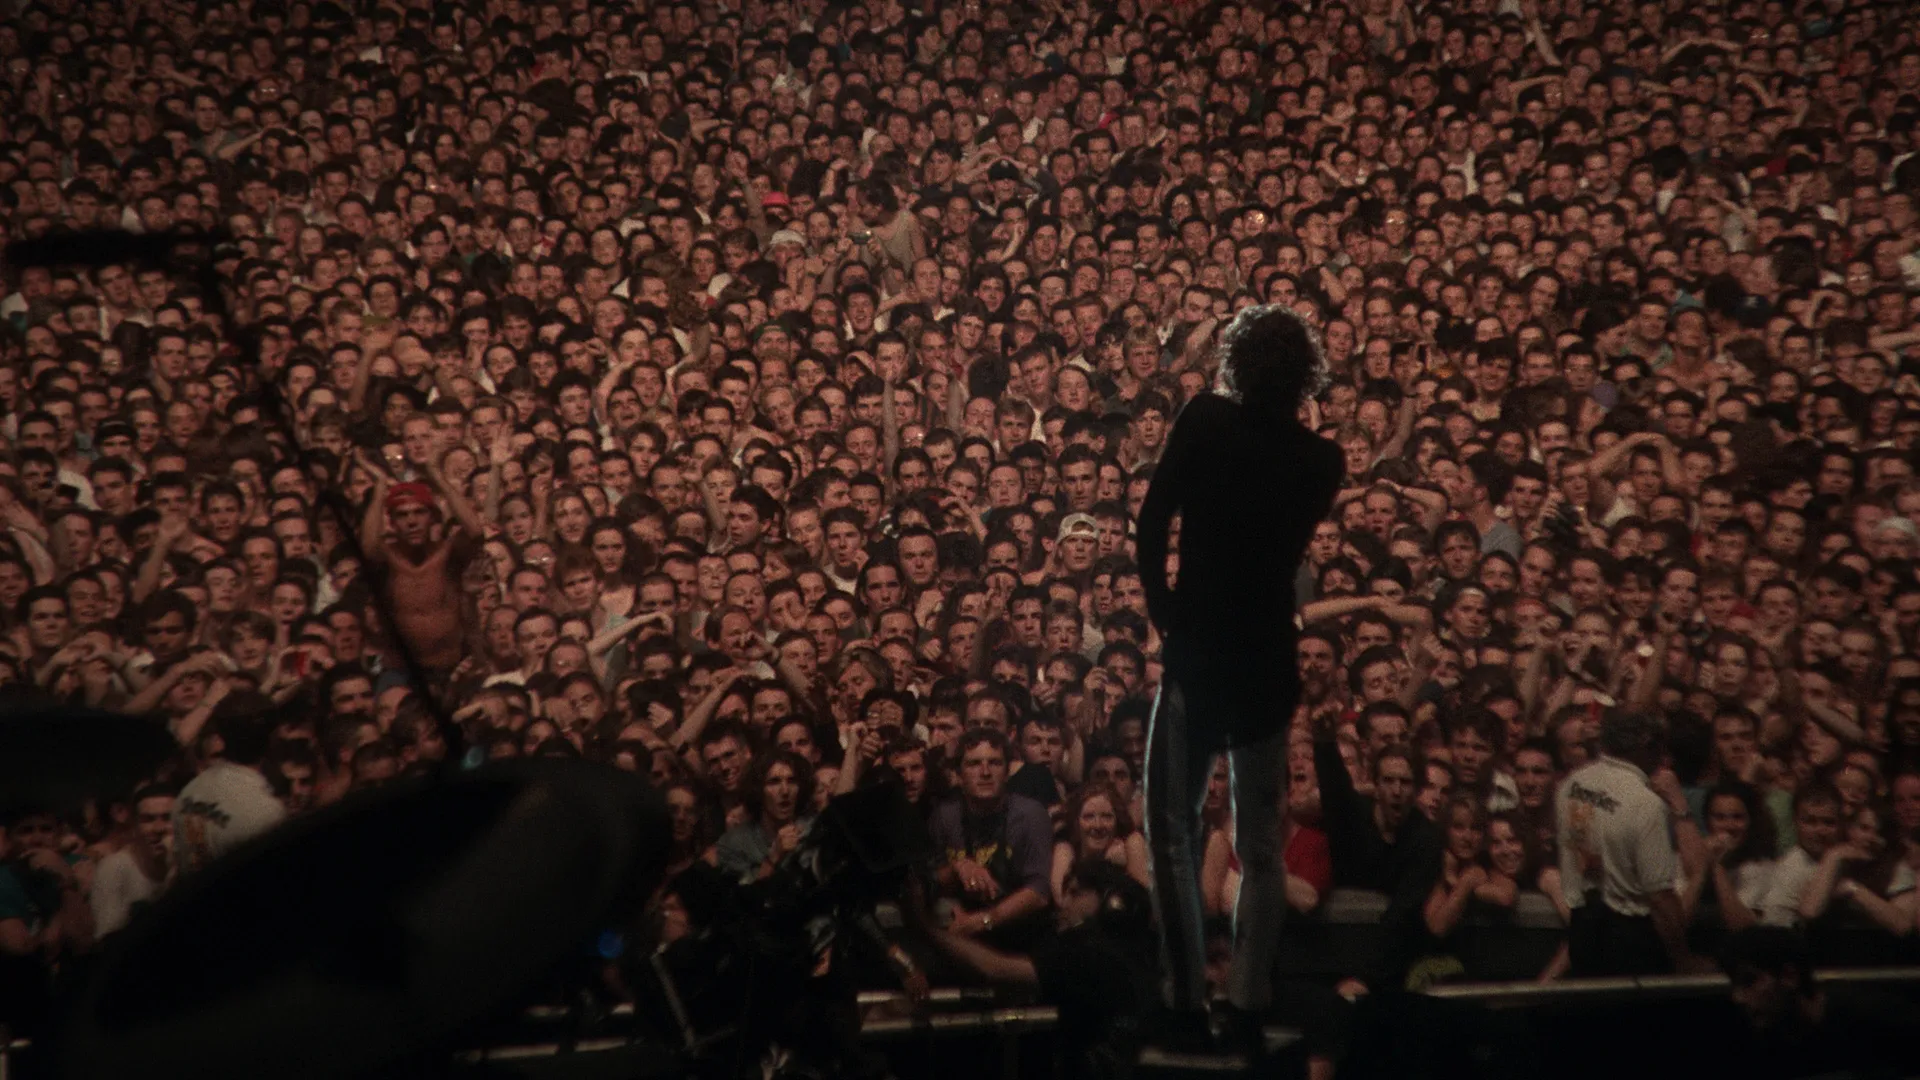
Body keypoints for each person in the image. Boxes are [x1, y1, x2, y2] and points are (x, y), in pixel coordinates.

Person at [1135, 304, 1341, 1047]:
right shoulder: (1322, 460)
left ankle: (1184, 998)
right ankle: (1250, 1000)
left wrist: (1166, 614)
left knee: (1171, 830)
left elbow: (1152, 522)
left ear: (1237, 362)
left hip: (1198, 655)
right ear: (1305, 376)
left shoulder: (1206, 420)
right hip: (1266, 663)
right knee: (1259, 845)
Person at [1556, 710, 1706, 976]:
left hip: (1582, 930)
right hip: (1630, 941)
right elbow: (1659, 896)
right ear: (1648, 745)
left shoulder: (1572, 783)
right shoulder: (1644, 802)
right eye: (1661, 747)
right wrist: (1683, 959)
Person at [1722, 926, 1920, 1078]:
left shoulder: (1875, 1017)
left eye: (1749, 981)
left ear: (1789, 976)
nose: (1738, 998)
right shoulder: (1753, 1040)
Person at [89, 782, 177, 937]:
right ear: (135, 826)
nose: (159, 828)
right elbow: (108, 939)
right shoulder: (114, 868)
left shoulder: (186, 862)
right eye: (148, 819)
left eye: (167, 818)